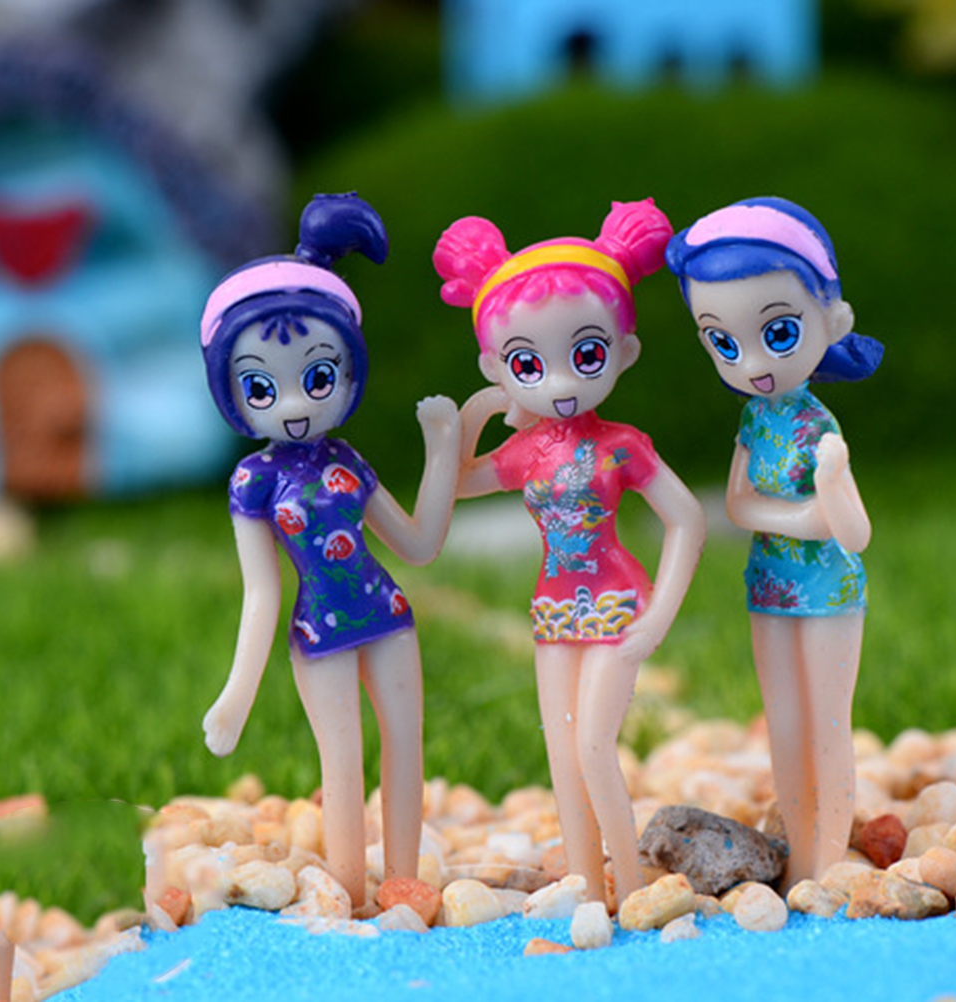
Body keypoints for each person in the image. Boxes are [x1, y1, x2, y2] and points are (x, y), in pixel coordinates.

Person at [434, 199, 706, 905]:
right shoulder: (528, 451)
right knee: (561, 751)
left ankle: (634, 884)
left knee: (592, 745)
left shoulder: (623, 446)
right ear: (497, 365)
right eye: (528, 363)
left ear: (624, 351)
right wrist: (478, 411)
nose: (559, 382)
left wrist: (658, 617)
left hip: (620, 605)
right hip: (554, 610)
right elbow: (458, 484)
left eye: (585, 355)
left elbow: (687, 520)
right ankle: (588, 882)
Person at [200, 193, 460, 906]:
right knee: (342, 762)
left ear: (349, 372)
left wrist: (442, 451)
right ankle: (346, 894)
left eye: (316, 377)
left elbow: (418, 543)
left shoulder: (348, 460)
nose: (293, 405)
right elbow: (262, 593)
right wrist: (237, 693)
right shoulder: (254, 481)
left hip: (388, 615)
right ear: (231, 393)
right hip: (320, 634)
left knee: (404, 749)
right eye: (261, 386)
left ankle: (405, 888)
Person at [666, 196, 882, 886]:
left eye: (779, 333)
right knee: (785, 723)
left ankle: (827, 861)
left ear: (832, 320)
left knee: (826, 723)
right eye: (724, 344)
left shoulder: (821, 428)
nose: (752, 363)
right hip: (768, 585)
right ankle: (801, 849)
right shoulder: (755, 422)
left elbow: (855, 533)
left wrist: (832, 485)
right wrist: (802, 516)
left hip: (829, 591)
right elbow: (738, 504)